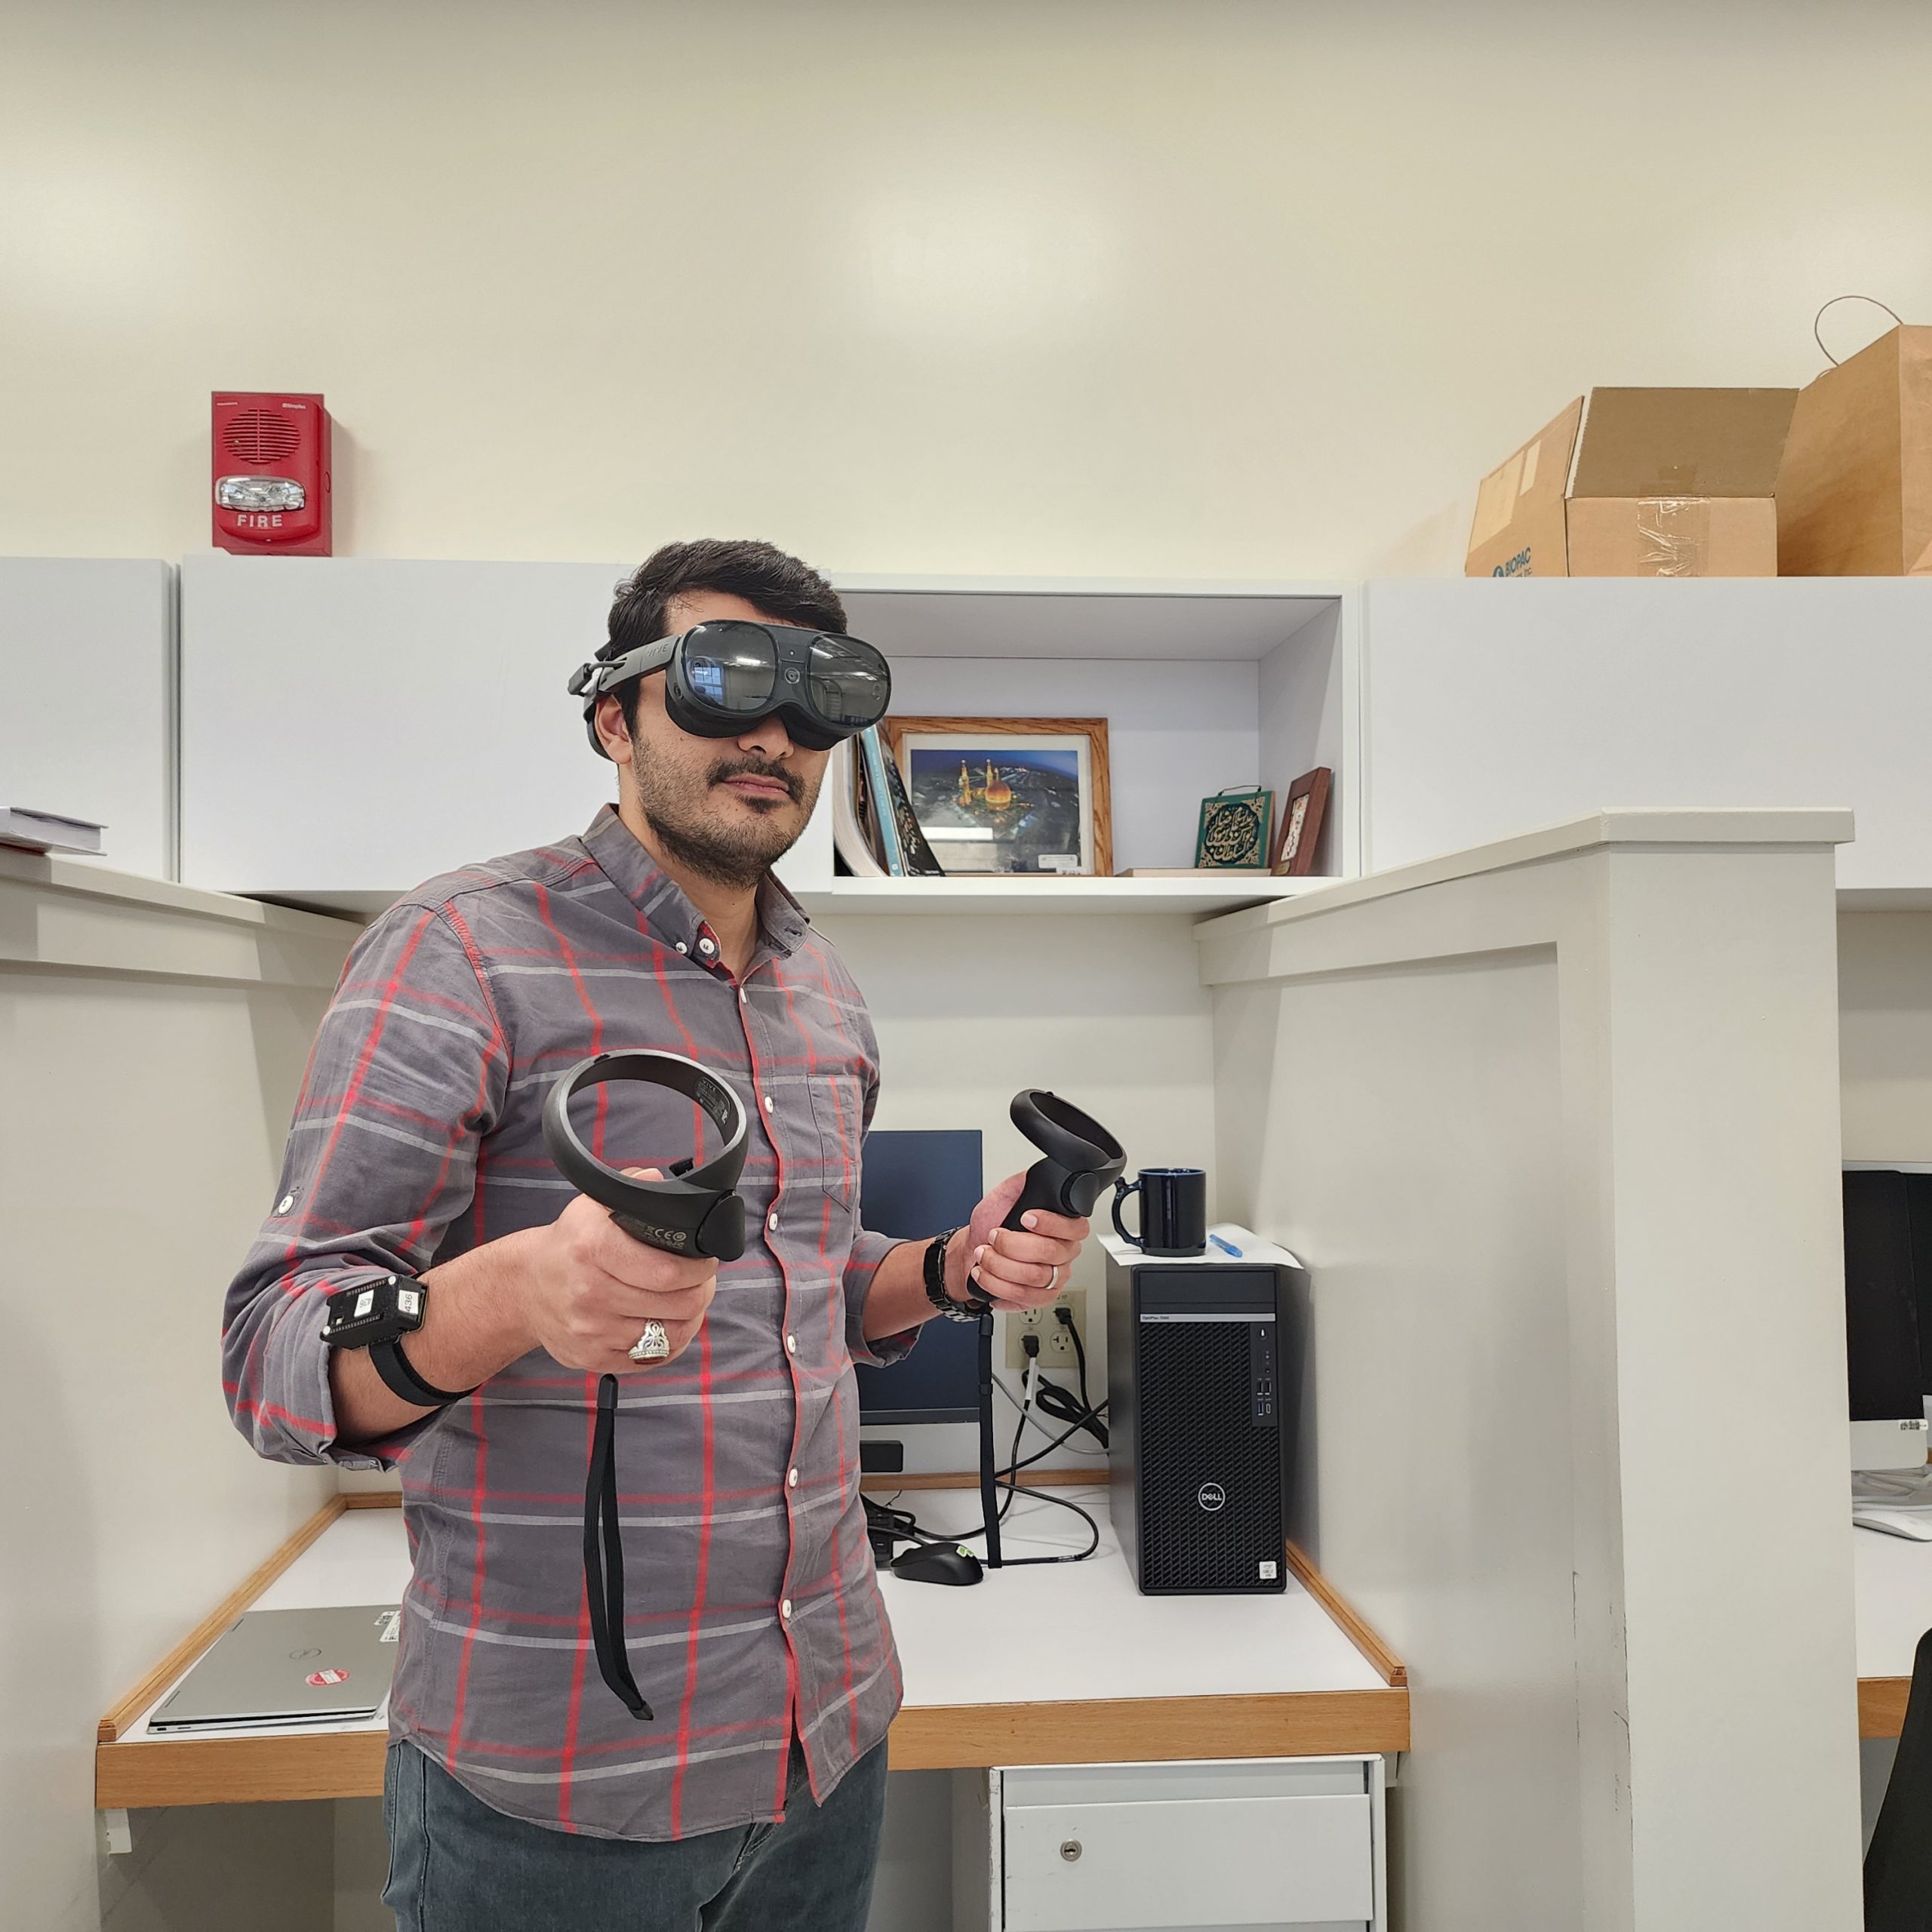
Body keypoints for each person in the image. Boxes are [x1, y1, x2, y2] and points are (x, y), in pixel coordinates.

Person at [221, 539, 1092, 1930]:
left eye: (817, 700)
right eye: (725, 681)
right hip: (556, 1787)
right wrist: (515, 1294)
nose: (775, 734)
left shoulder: (823, 993)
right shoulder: (458, 951)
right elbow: (271, 1356)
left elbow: (798, 1292)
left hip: (826, 1738)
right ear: (614, 716)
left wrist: (946, 1269)